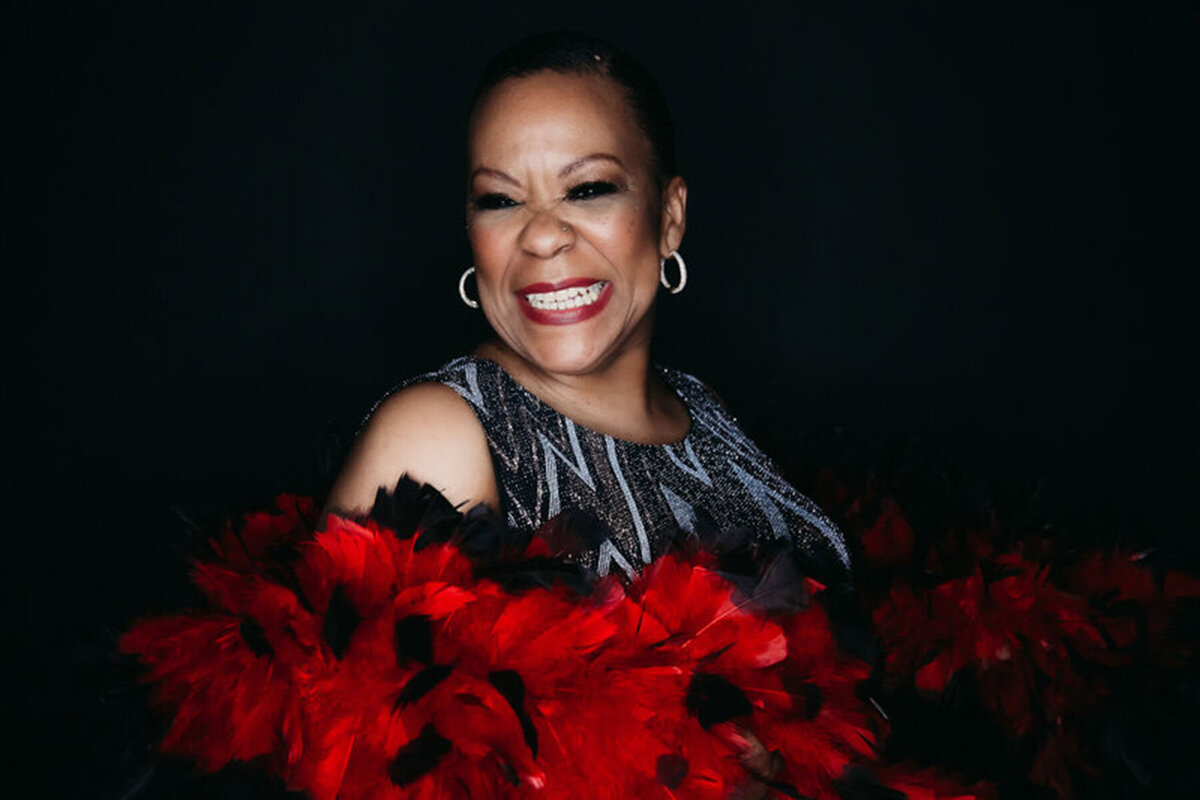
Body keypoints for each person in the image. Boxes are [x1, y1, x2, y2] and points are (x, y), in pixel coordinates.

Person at [326, 31, 849, 588]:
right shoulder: (435, 437)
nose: (544, 236)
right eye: (500, 200)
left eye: (589, 189)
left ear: (669, 218)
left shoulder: (705, 409)